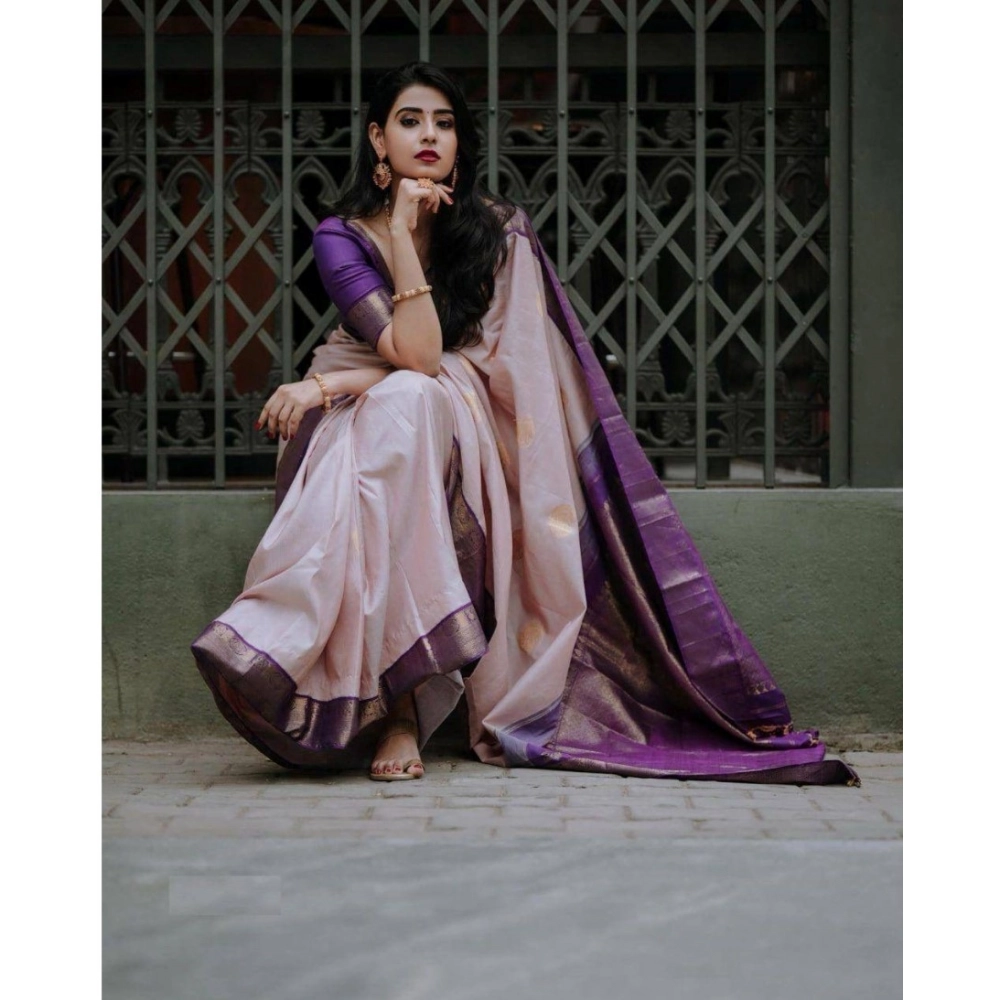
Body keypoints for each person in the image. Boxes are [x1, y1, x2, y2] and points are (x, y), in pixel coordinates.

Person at [192, 62, 856, 786]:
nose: (428, 135)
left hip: (445, 414)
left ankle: (402, 708)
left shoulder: (496, 232)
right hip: (354, 424)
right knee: (402, 417)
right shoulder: (341, 236)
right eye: (410, 121)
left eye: (444, 123)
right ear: (378, 140)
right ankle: (397, 705)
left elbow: (460, 366)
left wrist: (327, 379)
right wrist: (394, 250)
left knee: (413, 406)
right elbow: (413, 357)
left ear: (460, 142)